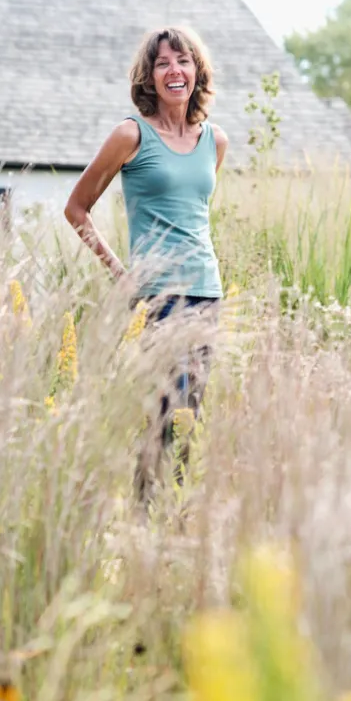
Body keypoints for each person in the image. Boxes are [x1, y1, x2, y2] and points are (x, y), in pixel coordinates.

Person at [64, 26, 229, 505]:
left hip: (207, 294)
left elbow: (192, 214)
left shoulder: (214, 141)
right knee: (160, 413)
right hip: (157, 298)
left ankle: (173, 523)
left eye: (183, 61)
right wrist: (122, 273)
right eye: (162, 63)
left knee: (189, 415)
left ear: (197, 72)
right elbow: (77, 209)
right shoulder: (130, 135)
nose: (174, 71)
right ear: (149, 76)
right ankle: (143, 519)